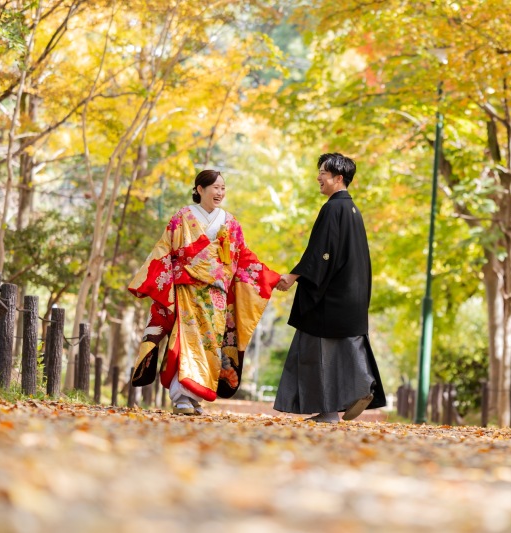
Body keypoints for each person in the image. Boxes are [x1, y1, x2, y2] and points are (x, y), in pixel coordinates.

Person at [128, 169, 280, 415]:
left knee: (210, 345)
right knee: (185, 341)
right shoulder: (182, 218)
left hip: (216, 295)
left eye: (223, 188)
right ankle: (181, 398)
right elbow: (164, 250)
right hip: (187, 289)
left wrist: (272, 277)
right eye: (215, 188)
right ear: (200, 189)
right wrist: (149, 280)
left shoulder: (229, 222)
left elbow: (244, 257)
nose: (220, 192)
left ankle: (195, 396)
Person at [273, 153, 386, 423]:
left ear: (338, 178)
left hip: (330, 296)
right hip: (352, 294)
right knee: (347, 347)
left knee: (316, 352)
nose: (318, 177)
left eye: (323, 172)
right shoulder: (352, 210)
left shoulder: (333, 208)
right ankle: (359, 387)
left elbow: (321, 251)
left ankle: (335, 407)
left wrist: (294, 275)